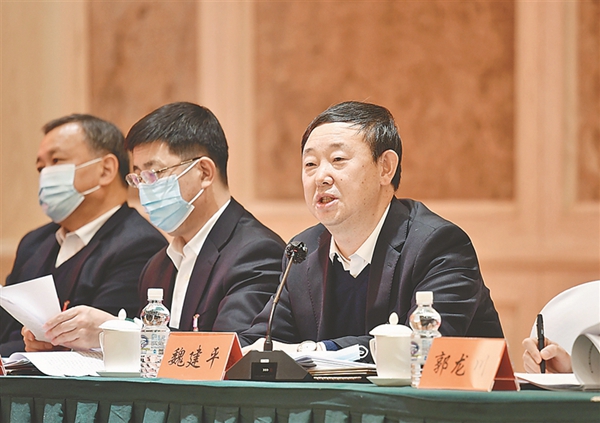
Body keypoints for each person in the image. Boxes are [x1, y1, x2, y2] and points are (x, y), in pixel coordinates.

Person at [240, 101, 504, 356]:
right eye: (310, 164)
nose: (320, 177)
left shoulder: (439, 246)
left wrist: (317, 351)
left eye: (338, 159)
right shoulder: (302, 253)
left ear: (385, 168)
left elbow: (421, 348)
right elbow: (263, 342)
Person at [2, 114, 167, 356]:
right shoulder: (33, 243)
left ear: (106, 169)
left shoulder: (140, 245)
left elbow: (97, 346)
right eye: (40, 167)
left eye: (56, 161)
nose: (45, 174)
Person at [123, 101, 285, 333]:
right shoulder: (157, 266)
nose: (144, 189)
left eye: (154, 173)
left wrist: (128, 332)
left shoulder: (256, 253)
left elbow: (231, 348)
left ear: (204, 173)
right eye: (139, 177)